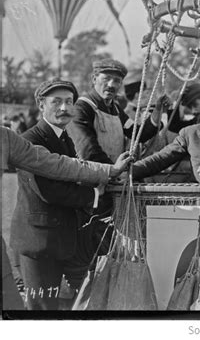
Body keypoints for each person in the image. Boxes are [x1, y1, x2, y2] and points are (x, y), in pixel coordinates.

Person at [9, 79, 125, 310]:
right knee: (42, 308)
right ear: (41, 106)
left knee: (69, 305)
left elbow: (74, 171)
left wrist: (105, 177)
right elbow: (49, 191)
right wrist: (95, 193)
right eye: (57, 102)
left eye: (69, 102)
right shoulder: (31, 140)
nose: (64, 108)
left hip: (62, 239)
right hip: (40, 243)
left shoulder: (63, 136)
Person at [68, 58, 162, 165]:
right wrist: (114, 171)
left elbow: (138, 133)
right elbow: (88, 149)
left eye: (117, 81)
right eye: (106, 79)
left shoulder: (116, 109)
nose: (111, 85)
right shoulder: (82, 108)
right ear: (94, 79)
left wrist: (158, 109)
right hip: (89, 176)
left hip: (112, 175)